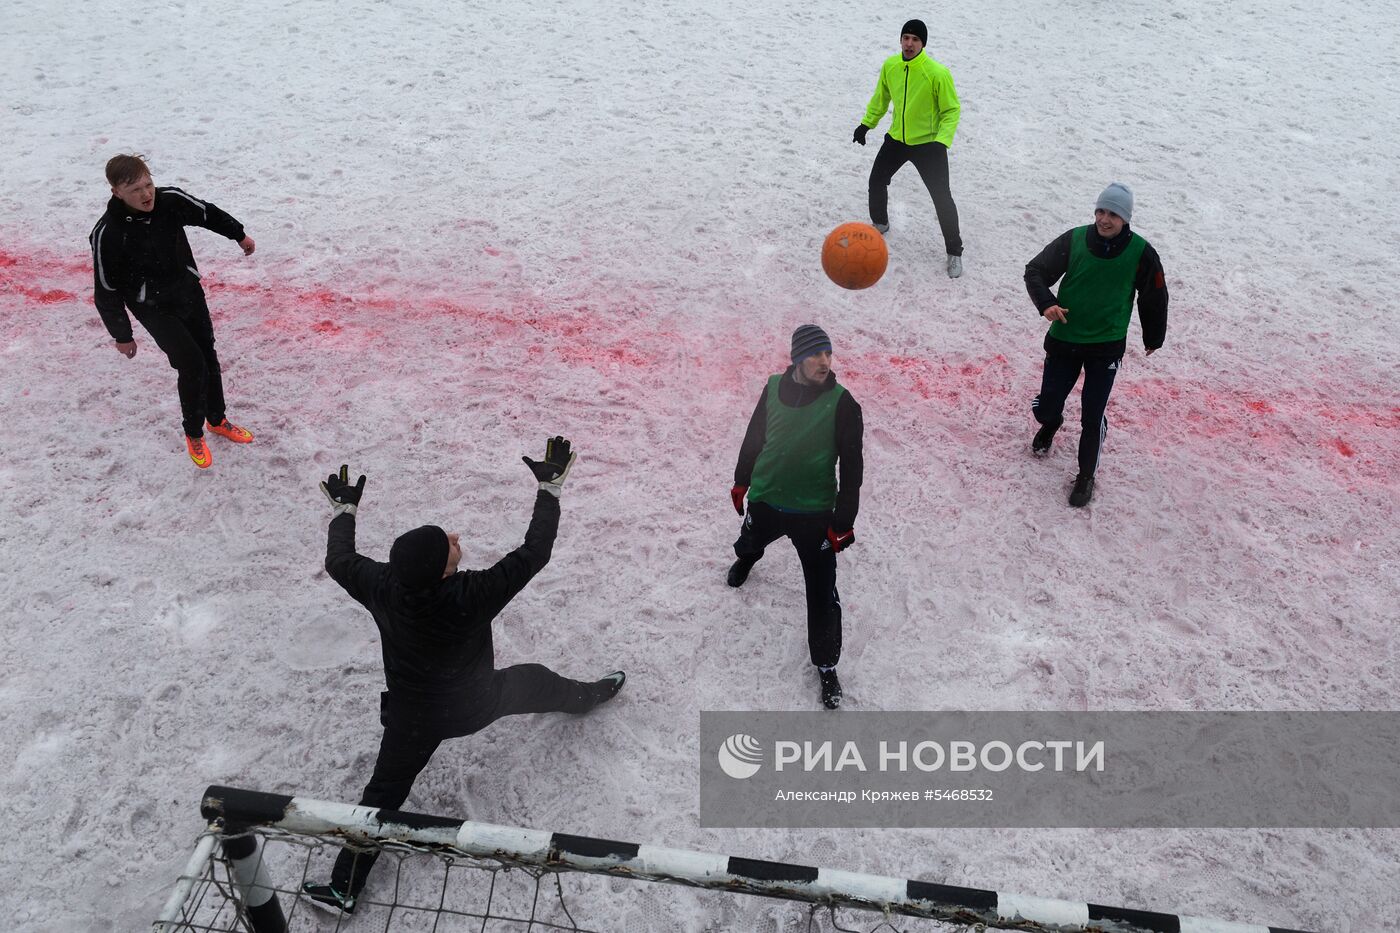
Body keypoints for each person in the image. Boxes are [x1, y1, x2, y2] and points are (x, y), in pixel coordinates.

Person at [302, 437, 626, 915]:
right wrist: (549, 489)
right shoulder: (472, 594)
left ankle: (344, 888)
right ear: (440, 573)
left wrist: (344, 511)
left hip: (413, 717)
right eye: (449, 547)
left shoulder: (384, 586)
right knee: (537, 681)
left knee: (381, 795)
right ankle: (592, 696)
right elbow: (534, 552)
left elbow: (337, 560)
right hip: (477, 703)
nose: (456, 540)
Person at [88, 154, 256, 468]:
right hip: (152, 308)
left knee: (208, 355)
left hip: (187, 292)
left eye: (148, 184)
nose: (146, 194)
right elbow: (106, 290)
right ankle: (193, 432)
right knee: (191, 364)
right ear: (116, 193)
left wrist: (239, 234)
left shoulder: (169, 201)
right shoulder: (107, 233)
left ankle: (217, 420)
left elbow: (207, 213)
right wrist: (122, 335)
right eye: (135, 189)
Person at [728, 326, 864, 710]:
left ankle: (826, 665)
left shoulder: (842, 403)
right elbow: (755, 435)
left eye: (828, 354)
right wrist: (742, 480)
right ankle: (746, 558)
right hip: (767, 497)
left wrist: (844, 520)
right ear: (797, 359)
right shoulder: (773, 388)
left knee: (822, 595)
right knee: (750, 541)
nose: (825, 362)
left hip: (814, 513)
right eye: (816, 354)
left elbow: (853, 467)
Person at [1023, 182, 1169, 507]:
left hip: (1106, 346)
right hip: (1064, 339)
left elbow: (1154, 294)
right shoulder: (1074, 240)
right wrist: (1046, 303)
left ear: (1125, 219)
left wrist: (1153, 337)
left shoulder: (1141, 252)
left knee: (1093, 414)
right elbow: (1035, 270)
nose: (1104, 219)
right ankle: (1052, 422)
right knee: (1046, 405)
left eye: (1113, 214)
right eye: (1101, 211)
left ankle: (1086, 475)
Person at [853, 18, 964, 278]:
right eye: (906, 38)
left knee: (941, 198)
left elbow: (951, 110)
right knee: (876, 181)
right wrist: (866, 124)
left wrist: (942, 140)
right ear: (900, 40)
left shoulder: (936, 73)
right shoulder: (891, 66)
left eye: (915, 39)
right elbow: (881, 98)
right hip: (897, 140)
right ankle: (880, 223)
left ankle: (955, 252)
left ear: (923, 43)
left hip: (929, 145)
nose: (909, 43)